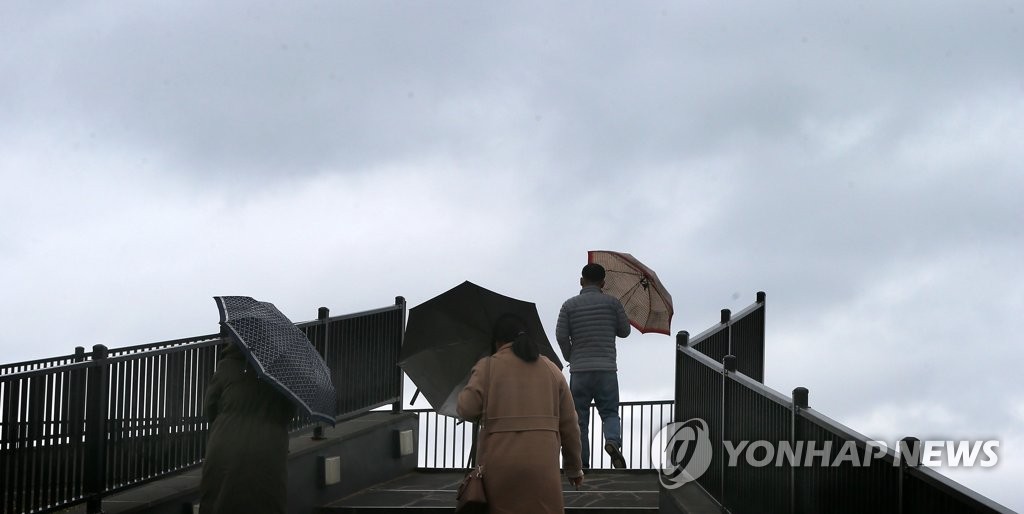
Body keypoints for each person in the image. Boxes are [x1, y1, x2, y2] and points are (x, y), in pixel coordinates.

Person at [457, 313, 584, 514]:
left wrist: (476, 374)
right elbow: (570, 426)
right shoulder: (551, 369)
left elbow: (466, 409)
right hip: (543, 467)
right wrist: (574, 468)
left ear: (498, 340)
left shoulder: (487, 366)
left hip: (499, 468)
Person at [200, 329, 297, 514]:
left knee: (218, 500)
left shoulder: (226, 365)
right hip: (269, 448)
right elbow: (288, 413)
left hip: (225, 443)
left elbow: (210, 407)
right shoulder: (283, 372)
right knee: (266, 501)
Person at [556, 262, 631, 469]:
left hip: (579, 371)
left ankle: (581, 463)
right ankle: (612, 442)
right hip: (606, 368)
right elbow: (625, 332)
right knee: (609, 413)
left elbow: (561, 336)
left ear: (581, 281)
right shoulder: (613, 303)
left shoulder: (569, 306)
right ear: (603, 283)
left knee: (579, 418)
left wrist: (571, 356)